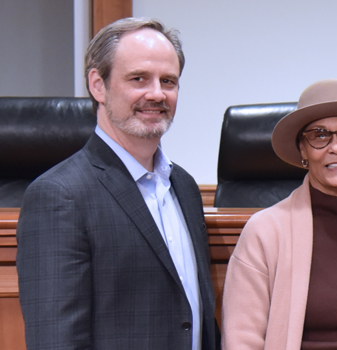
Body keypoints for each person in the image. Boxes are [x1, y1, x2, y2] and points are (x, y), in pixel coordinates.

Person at [15, 17, 219, 349]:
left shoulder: (184, 186)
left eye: (168, 81)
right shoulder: (58, 195)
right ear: (98, 85)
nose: (157, 93)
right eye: (139, 78)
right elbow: (56, 340)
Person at [221, 79, 337, 350]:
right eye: (319, 135)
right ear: (303, 149)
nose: (336, 147)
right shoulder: (264, 232)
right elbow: (242, 340)